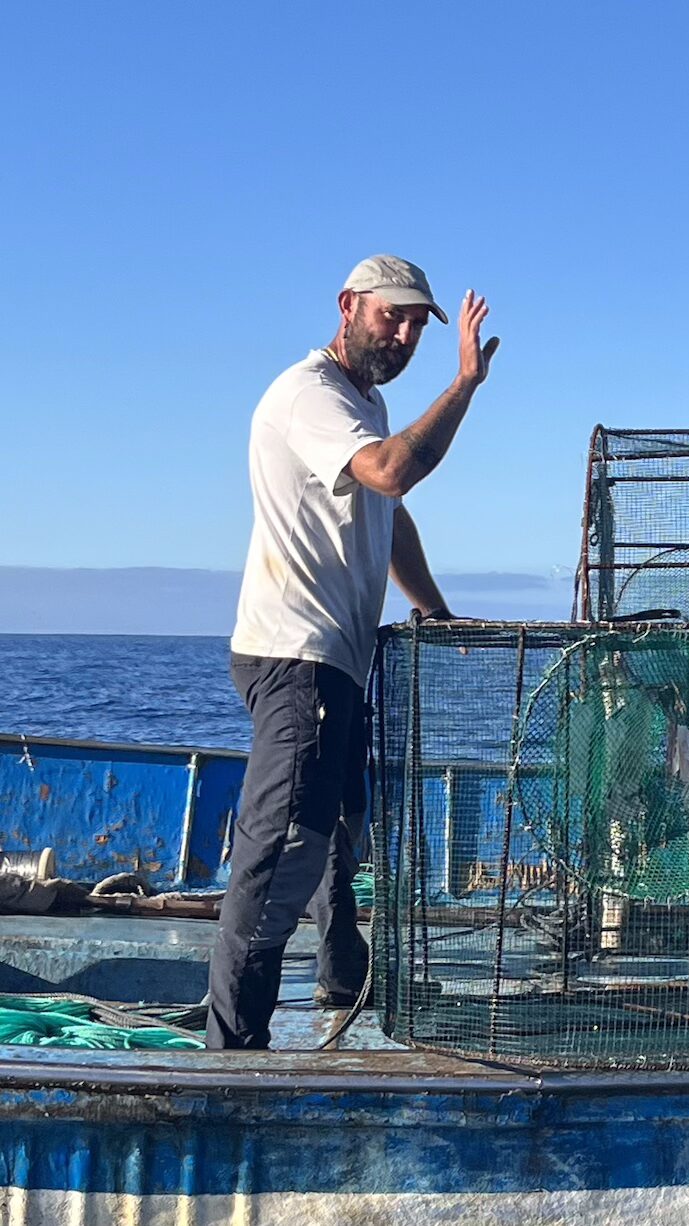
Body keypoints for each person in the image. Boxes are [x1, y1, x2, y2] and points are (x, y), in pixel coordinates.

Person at [208, 255, 498, 1050]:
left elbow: (387, 512)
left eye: (415, 325)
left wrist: (432, 609)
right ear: (348, 306)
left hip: (337, 658)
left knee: (341, 828)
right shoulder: (311, 394)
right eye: (389, 315)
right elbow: (393, 471)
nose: (402, 335)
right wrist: (465, 384)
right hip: (295, 654)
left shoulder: (363, 405)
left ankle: (343, 976)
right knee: (283, 848)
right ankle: (231, 1052)